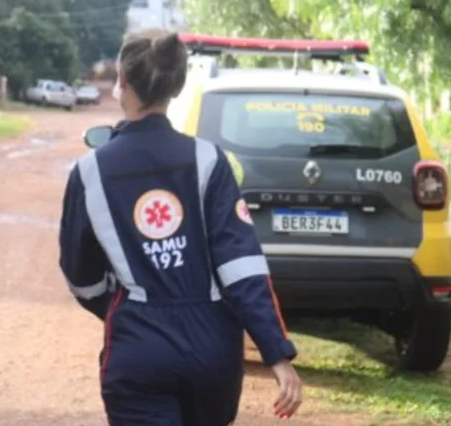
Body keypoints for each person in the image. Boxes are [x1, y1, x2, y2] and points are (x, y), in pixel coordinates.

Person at [59, 29, 303, 424]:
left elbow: (80, 277)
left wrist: (120, 309)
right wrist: (276, 353)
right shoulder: (209, 161)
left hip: (137, 347)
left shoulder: (89, 172)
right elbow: (241, 266)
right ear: (178, 84)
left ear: (122, 79)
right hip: (212, 352)